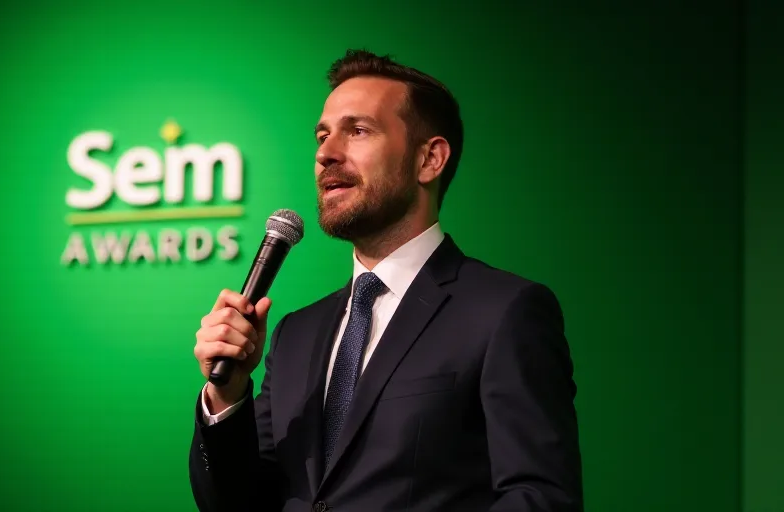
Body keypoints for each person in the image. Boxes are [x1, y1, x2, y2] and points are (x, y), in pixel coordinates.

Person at [189, 49, 583, 512]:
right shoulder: (295, 334)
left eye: (357, 131)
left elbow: (539, 498)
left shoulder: (503, 311)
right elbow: (237, 504)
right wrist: (226, 395)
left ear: (429, 159)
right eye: (322, 135)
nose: (325, 154)